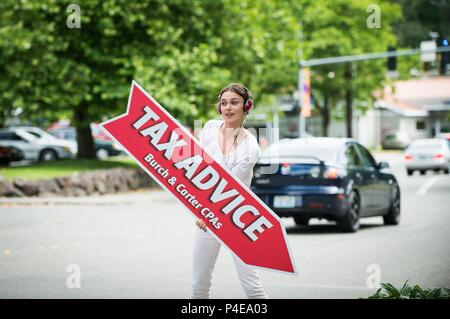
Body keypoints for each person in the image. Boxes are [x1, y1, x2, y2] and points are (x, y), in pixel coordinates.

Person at [191, 83, 269, 299]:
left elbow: (230, 188)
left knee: (253, 288)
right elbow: (198, 170)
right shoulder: (208, 129)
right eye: (223, 103)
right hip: (206, 217)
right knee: (199, 285)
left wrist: (206, 212)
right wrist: (201, 211)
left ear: (247, 106)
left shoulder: (250, 147)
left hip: (237, 218)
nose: (227, 108)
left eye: (234, 102)